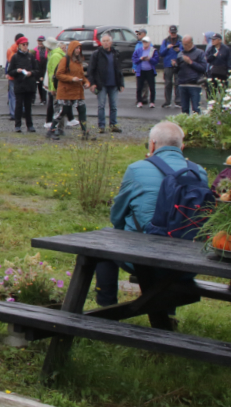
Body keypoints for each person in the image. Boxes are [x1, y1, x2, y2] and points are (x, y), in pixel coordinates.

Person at [93, 122, 206, 311]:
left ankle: (106, 307)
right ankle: (167, 313)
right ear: (182, 147)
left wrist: (121, 232)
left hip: (143, 261)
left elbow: (117, 216)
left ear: (152, 145)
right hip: (188, 264)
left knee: (102, 244)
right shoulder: (199, 173)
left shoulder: (137, 169)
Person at [49, 40, 90, 139]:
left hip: (78, 91)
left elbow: (81, 75)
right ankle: (51, 130)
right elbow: (59, 74)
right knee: (62, 111)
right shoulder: (65, 60)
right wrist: (71, 79)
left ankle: (85, 132)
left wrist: (86, 82)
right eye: (76, 48)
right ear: (72, 49)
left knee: (82, 110)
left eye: (79, 48)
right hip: (65, 91)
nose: (78, 50)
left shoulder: (79, 61)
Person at [87, 33, 125, 134]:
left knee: (114, 106)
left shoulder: (115, 53)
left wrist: (121, 83)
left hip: (114, 84)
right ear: (101, 42)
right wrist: (92, 83)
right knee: (101, 106)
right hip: (101, 84)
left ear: (111, 42)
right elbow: (91, 70)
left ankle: (113, 125)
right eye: (104, 41)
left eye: (107, 41)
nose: (106, 43)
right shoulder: (96, 54)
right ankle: (101, 126)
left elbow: (119, 69)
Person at [6, 36, 37, 132]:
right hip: (19, 84)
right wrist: (17, 71)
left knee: (28, 106)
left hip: (29, 85)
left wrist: (31, 73)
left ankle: (30, 125)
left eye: (27, 44)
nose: (25, 46)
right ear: (19, 45)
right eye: (24, 44)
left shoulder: (30, 56)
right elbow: (10, 71)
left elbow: (37, 70)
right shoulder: (15, 57)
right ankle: (17, 125)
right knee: (19, 105)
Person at [176, 35, 206, 114]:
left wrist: (190, 62)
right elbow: (176, 70)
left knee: (196, 109)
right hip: (182, 84)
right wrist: (175, 65)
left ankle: (197, 121)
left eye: (186, 44)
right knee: (184, 109)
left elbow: (203, 68)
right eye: (183, 44)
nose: (184, 46)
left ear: (191, 43)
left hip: (194, 84)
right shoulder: (180, 54)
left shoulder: (200, 53)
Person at [132, 36, 159, 108]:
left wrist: (150, 59)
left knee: (152, 87)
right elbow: (134, 59)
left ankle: (152, 102)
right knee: (139, 87)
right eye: (143, 42)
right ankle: (139, 101)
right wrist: (140, 59)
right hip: (141, 71)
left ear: (149, 43)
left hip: (150, 71)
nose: (145, 43)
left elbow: (156, 61)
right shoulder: (138, 50)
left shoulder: (153, 50)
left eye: (146, 42)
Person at [159, 25, 183, 108]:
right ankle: (167, 101)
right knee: (168, 83)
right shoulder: (165, 41)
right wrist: (167, 48)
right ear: (169, 32)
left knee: (178, 83)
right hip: (168, 64)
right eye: (172, 32)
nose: (173, 34)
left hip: (178, 64)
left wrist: (179, 50)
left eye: (174, 32)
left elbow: (185, 51)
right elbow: (161, 53)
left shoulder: (181, 40)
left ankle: (178, 101)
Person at [5, 34, 23, 121]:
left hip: (12, 76)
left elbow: (8, 63)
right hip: (20, 76)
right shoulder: (24, 51)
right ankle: (20, 112)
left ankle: (13, 114)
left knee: (12, 96)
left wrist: (6, 72)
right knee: (21, 95)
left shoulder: (10, 50)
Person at [32, 35, 49, 105]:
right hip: (37, 69)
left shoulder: (47, 50)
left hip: (44, 69)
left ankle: (43, 99)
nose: (40, 42)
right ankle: (32, 99)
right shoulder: (35, 50)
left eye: (42, 41)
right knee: (35, 85)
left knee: (43, 85)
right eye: (39, 41)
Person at [134, 28, 149, 104]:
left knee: (145, 83)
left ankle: (144, 98)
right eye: (138, 34)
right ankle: (139, 98)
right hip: (138, 66)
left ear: (144, 34)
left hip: (145, 66)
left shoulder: (149, 44)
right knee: (139, 84)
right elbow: (135, 56)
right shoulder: (137, 44)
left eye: (140, 34)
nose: (138, 35)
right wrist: (134, 67)